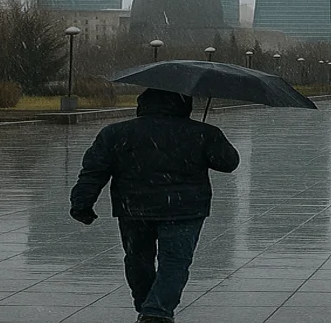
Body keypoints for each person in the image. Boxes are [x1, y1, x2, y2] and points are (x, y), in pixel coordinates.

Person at [69, 88, 240, 323]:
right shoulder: (202, 132)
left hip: (133, 207)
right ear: (185, 105)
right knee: (175, 262)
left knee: (138, 259)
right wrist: (208, 137)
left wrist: (82, 203)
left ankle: (146, 305)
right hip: (185, 209)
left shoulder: (116, 133)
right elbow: (228, 163)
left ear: (143, 104)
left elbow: (94, 170)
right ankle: (156, 311)